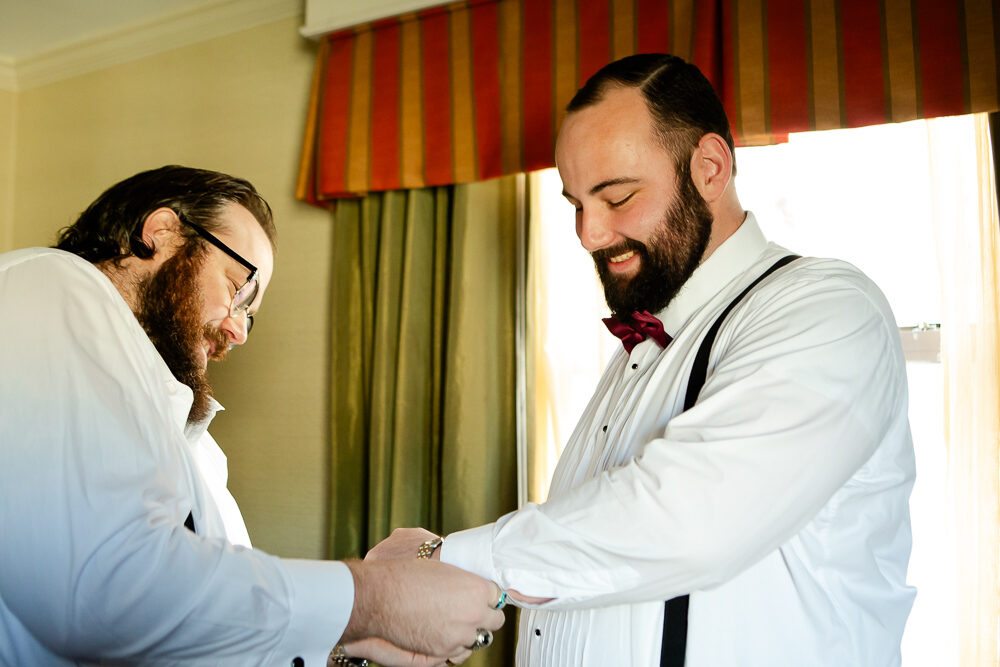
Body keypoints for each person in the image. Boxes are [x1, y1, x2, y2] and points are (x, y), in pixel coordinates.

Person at [367, 54, 916, 666]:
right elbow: (598, 556)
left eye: (617, 197)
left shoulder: (827, 308)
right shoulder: (643, 348)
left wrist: (440, 561)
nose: (589, 235)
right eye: (576, 203)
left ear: (709, 168)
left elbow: (688, 519)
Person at [0, 166, 504, 667]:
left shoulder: (195, 447)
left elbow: (197, 623)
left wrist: (344, 645)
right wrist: (370, 597)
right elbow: (99, 592)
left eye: (251, 314)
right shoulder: (52, 282)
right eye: (239, 287)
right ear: (162, 233)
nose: (238, 332)